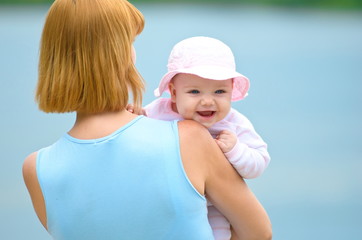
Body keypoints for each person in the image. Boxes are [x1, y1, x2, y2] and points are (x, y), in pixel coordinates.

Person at [22, 0, 272, 240]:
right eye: (131, 42)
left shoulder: (37, 170)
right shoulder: (189, 138)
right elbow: (258, 233)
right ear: (118, 54)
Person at [128, 36, 271, 240]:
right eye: (194, 91)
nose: (207, 101)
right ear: (174, 93)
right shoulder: (158, 112)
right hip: (166, 199)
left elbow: (259, 163)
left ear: (232, 92)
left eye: (220, 91)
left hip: (213, 206)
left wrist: (235, 149)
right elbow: (139, 139)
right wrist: (136, 118)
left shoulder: (234, 124)